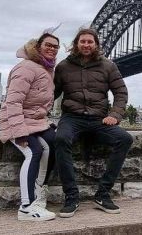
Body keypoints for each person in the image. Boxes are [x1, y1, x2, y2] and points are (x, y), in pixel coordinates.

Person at [54, 28, 133, 218]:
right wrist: (34, 113)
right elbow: (52, 93)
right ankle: (71, 197)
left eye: (90, 42)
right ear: (76, 44)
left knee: (125, 139)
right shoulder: (63, 66)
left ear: (96, 44)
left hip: (99, 119)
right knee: (61, 139)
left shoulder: (108, 66)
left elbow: (121, 93)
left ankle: (103, 194)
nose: (86, 45)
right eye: (83, 41)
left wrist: (115, 114)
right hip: (72, 118)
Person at [0, 32, 60, 221]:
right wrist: (19, 133)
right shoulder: (26, 67)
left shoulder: (47, 69)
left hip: (36, 121)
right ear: (38, 46)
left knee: (53, 144)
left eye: (55, 46)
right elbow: (13, 102)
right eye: (48, 45)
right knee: (34, 151)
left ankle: (39, 194)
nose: (52, 48)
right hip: (15, 120)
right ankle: (26, 207)